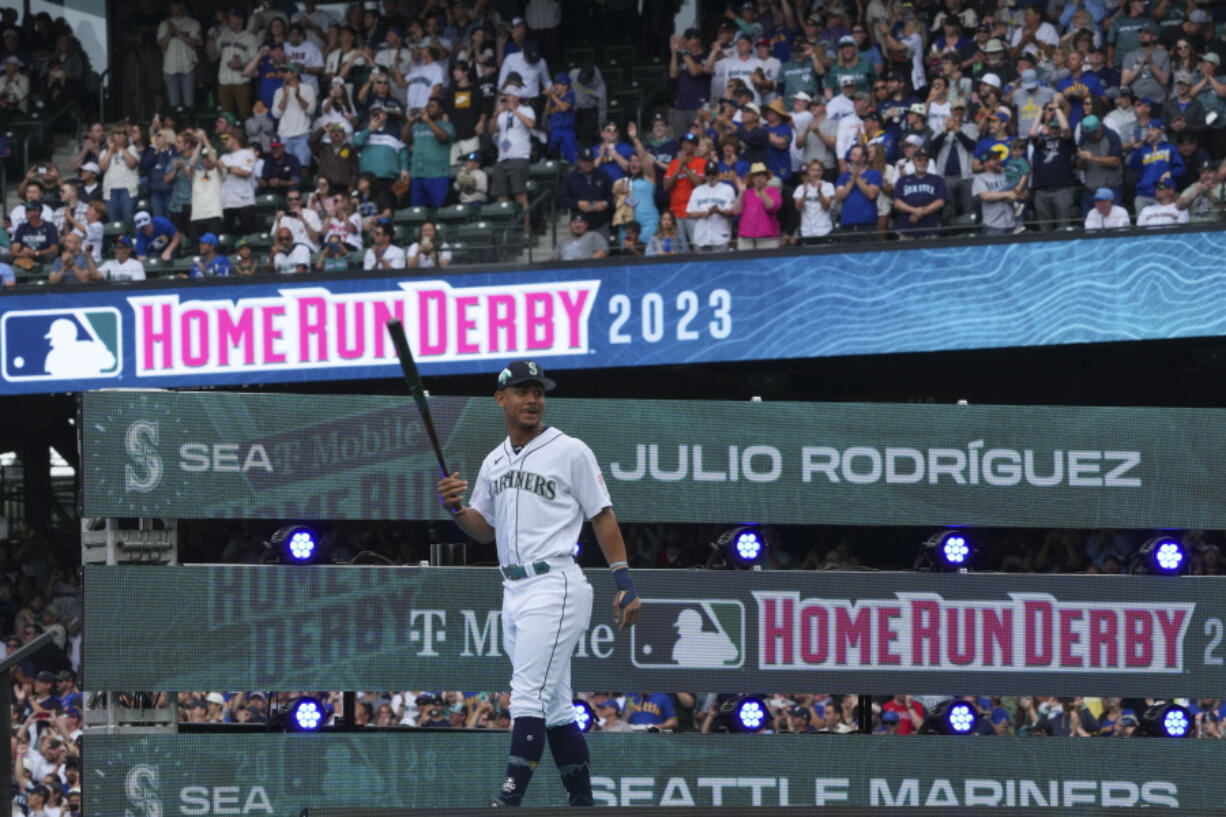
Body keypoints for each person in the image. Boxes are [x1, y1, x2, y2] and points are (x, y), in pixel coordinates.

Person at [436, 359, 640, 807]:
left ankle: (509, 798)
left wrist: (623, 578)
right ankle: (582, 801)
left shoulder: (571, 451)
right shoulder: (493, 460)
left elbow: (602, 514)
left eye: (539, 391)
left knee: (527, 692)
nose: (533, 399)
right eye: (523, 391)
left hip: (556, 582)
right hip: (513, 588)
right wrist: (454, 509)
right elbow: (483, 528)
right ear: (501, 398)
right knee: (555, 706)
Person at [491, 78, 536, 238]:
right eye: (505, 96)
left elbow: (531, 124)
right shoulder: (502, 113)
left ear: (516, 97)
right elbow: (491, 131)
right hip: (502, 157)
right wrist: (496, 115)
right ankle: (504, 231)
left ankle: (524, 231)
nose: (506, 98)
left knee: (520, 195)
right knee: (501, 196)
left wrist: (515, 110)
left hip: (519, 157)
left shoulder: (526, 109)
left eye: (509, 95)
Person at [407, 98, 455, 208]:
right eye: (428, 106)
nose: (429, 109)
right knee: (418, 212)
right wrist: (409, 122)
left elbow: (443, 137)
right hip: (417, 175)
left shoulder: (447, 125)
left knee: (439, 210)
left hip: (437, 175)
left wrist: (428, 120)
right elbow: (405, 138)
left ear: (440, 109)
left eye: (433, 106)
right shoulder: (417, 126)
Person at [893, 148, 948, 238]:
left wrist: (920, 213)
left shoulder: (937, 180)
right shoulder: (902, 180)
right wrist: (915, 211)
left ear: (928, 163)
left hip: (930, 227)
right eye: (919, 160)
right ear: (914, 162)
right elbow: (897, 203)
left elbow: (940, 201)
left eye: (925, 160)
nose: (922, 163)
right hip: (907, 228)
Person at [157, 1, 201, 109]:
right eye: (171, 4)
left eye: (175, 4)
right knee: (174, 105)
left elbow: (194, 43)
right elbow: (162, 45)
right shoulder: (164, 24)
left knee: (189, 104)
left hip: (188, 68)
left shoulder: (193, 23)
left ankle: (189, 125)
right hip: (170, 69)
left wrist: (176, 31)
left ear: (182, 5)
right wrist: (169, 32)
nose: (172, 7)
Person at [686, 159, 737, 252]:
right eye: (708, 174)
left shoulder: (728, 189)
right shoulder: (697, 191)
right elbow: (689, 213)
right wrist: (704, 214)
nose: (711, 176)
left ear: (718, 175)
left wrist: (719, 211)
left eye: (713, 173)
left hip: (720, 237)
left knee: (721, 266)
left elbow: (733, 212)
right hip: (701, 238)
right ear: (705, 175)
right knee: (701, 266)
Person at [834, 144, 881, 238]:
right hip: (847, 224)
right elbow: (838, 198)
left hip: (868, 224)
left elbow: (871, 195)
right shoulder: (843, 176)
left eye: (854, 155)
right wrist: (852, 181)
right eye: (850, 154)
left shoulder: (874, 174)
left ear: (863, 158)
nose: (850, 157)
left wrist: (857, 178)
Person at [732, 162, 782, 250]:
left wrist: (761, 191)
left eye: (763, 176)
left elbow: (772, 207)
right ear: (752, 179)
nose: (760, 178)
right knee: (746, 263)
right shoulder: (746, 192)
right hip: (745, 237)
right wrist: (741, 193)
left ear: (767, 178)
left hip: (767, 237)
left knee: (768, 263)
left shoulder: (773, 191)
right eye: (757, 176)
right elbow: (736, 212)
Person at [973, 146, 1019, 235]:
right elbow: (985, 196)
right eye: (994, 159)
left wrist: (1014, 195)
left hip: (1012, 224)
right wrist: (1008, 194)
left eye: (999, 158)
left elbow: (1023, 193)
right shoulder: (980, 178)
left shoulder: (1007, 175)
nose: (998, 160)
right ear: (985, 163)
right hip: (993, 226)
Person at [792, 159, 836, 244]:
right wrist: (805, 193)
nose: (816, 173)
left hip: (824, 231)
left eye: (818, 170)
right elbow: (797, 208)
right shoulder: (800, 188)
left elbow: (826, 207)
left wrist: (819, 191)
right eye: (813, 170)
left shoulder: (828, 186)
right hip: (806, 232)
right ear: (808, 171)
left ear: (822, 172)